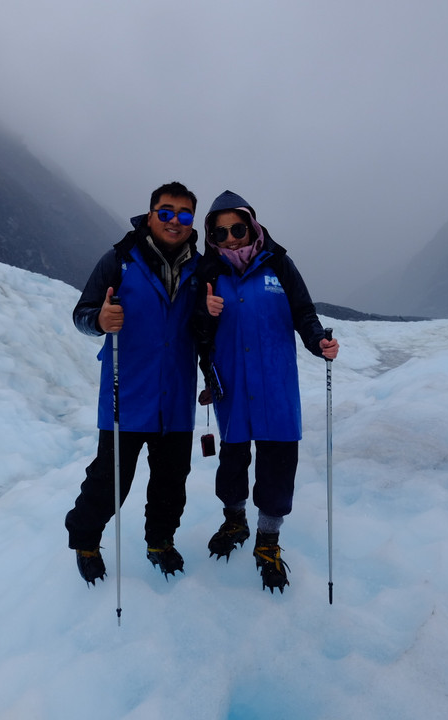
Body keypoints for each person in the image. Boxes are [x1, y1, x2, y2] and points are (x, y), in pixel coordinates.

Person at [194, 190, 339, 593]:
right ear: (211, 237)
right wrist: (205, 314)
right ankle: (235, 520)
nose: (231, 239)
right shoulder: (206, 274)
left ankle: (268, 541)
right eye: (220, 233)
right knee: (233, 460)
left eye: (237, 229)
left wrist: (318, 341)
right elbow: (196, 335)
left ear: (252, 226)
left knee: (277, 464)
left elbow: (303, 313)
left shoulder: (279, 265)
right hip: (232, 385)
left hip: (275, 384)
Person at [66, 182, 201, 585]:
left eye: (184, 214)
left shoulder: (201, 268)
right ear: (149, 214)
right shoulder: (119, 260)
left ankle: (159, 541)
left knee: (170, 483)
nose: (174, 221)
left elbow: (207, 330)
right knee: (110, 482)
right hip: (125, 393)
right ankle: (85, 541)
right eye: (166, 211)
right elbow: (82, 313)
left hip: (175, 397)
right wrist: (100, 320)